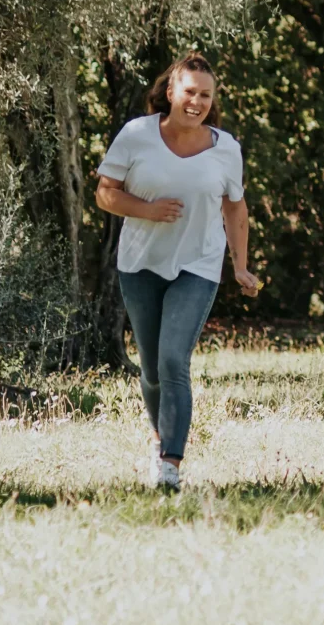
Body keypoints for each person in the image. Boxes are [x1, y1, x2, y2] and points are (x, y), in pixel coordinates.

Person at [95, 54, 261, 491]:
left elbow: (235, 208)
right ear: (170, 92)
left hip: (198, 264)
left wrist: (239, 265)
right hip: (140, 264)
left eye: (206, 95)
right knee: (150, 369)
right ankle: (158, 436)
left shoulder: (226, 149)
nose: (197, 101)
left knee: (173, 359)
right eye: (190, 92)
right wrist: (146, 210)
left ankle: (170, 463)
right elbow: (105, 195)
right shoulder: (136, 135)